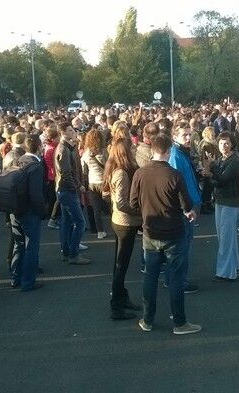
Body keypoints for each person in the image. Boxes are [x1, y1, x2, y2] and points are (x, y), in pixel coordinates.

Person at [130, 133, 201, 335]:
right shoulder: (174, 175)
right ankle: (179, 322)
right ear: (168, 151)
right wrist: (190, 211)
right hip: (173, 232)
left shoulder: (140, 174)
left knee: (150, 277)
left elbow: (134, 203)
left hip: (150, 232)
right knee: (176, 278)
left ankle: (147, 319)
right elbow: (186, 204)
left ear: (152, 150)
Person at [102, 138, 142, 320]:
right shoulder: (122, 173)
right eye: (131, 148)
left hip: (120, 221)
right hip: (125, 223)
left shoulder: (114, 169)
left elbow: (108, 195)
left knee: (119, 264)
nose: (134, 150)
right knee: (120, 265)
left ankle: (121, 297)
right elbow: (122, 203)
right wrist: (140, 211)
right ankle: (116, 306)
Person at [201, 131, 239, 282]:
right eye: (221, 143)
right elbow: (214, 181)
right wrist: (211, 173)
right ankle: (234, 265)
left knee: (226, 237)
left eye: (226, 143)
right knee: (225, 236)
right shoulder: (221, 160)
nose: (223, 146)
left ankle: (225, 272)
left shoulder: (234, 161)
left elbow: (222, 179)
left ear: (232, 144)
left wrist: (211, 169)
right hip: (220, 200)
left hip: (231, 202)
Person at [9, 135, 46, 292]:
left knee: (19, 244)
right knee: (31, 246)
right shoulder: (36, 166)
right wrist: (42, 211)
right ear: (38, 147)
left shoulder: (17, 161)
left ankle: (15, 277)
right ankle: (28, 281)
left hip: (14, 209)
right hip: (29, 211)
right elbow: (36, 194)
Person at [167, 121, 200, 293]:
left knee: (183, 245)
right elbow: (175, 185)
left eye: (189, 134)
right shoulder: (175, 155)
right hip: (184, 207)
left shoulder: (182, 152)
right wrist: (186, 208)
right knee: (182, 246)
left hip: (189, 202)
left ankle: (174, 279)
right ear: (175, 136)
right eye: (184, 135)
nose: (188, 138)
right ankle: (180, 282)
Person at [55, 122, 90, 265]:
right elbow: (66, 173)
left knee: (67, 222)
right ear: (63, 133)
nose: (73, 132)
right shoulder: (63, 149)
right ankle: (73, 253)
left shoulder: (70, 147)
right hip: (68, 190)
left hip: (65, 189)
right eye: (70, 130)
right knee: (80, 222)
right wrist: (77, 186)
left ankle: (66, 251)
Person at [81, 127, 108, 239]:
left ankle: (100, 231)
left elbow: (84, 170)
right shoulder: (104, 151)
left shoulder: (86, 153)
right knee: (110, 206)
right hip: (104, 181)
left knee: (96, 209)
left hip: (92, 183)